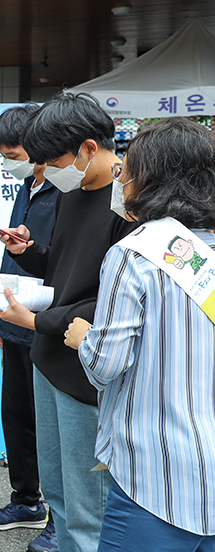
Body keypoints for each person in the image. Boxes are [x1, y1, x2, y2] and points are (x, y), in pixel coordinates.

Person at [64, 117, 215, 552]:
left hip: (156, 476)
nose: (121, 179)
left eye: (125, 170)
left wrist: (84, 339)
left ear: (149, 178)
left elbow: (106, 364)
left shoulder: (136, 253)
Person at [0, 92, 132, 552]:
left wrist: (37, 322)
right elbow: (65, 271)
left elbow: (115, 304)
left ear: (89, 148)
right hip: (49, 360)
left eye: (51, 161)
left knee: (88, 506)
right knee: (57, 492)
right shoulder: (74, 190)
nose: (44, 172)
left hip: (85, 369)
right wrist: (28, 252)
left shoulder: (130, 205)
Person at [0, 105, 59, 552]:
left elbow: (57, 263)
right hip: (13, 322)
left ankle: (59, 514)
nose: (7, 162)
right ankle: (26, 500)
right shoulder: (28, 186)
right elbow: (18, 253)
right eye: (2, 156)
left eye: (13, 154)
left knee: (51, 423)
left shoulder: (67, 191)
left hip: (45, 324)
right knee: (17, 416)